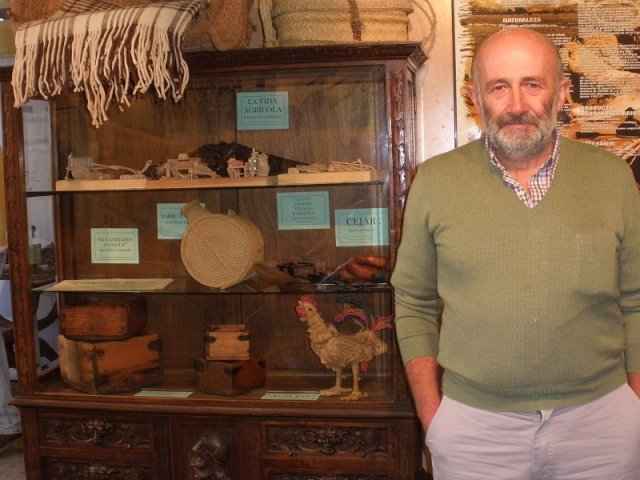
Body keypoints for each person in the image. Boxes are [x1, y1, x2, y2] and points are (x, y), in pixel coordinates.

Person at [391, 27, 640, 479]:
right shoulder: (435, 182)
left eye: (533, 84)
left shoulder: (612, 178)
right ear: (475, 98)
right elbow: (413, 302)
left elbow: (638, 300)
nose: (517, 105)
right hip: (475, 431)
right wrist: (434, 418)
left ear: (561, 93)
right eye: (499, 87)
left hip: (601, 425)